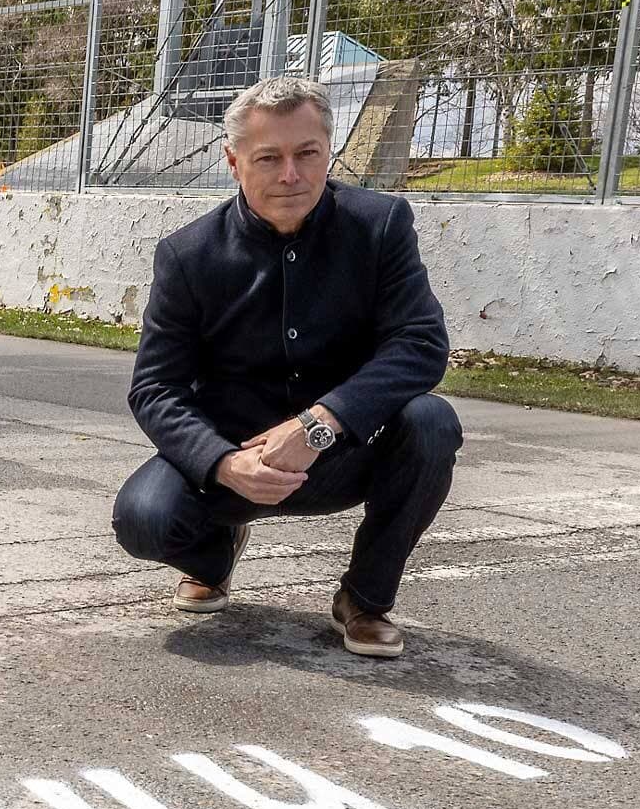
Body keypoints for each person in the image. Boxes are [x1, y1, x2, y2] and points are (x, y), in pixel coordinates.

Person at [111, 75, 459, 658]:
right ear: (234, 161)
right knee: (143, 519)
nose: (290, 175)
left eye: (307, 154)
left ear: (329, 150)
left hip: (343, 451)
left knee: (431, 422)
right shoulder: (187, 255)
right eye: (268, 157)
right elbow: (155, 388)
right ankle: (215, 553)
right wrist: (222, 462)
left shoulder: (381, 226)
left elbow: (420, 343)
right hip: (234, 460)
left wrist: (321, 423)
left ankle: (364, 600)